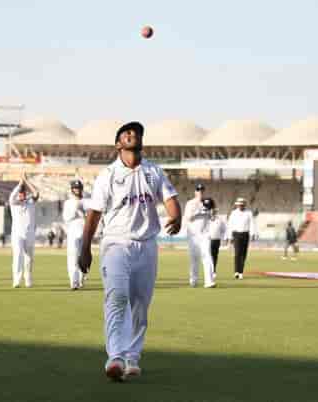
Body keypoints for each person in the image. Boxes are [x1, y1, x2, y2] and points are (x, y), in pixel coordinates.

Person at [78, 121, 182, 382]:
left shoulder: (153, 171)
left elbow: (169, 198)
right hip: (116, 243)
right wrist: (85, 247)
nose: (131, 134)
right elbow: (94, 213)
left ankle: (133, 357)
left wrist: (176, 215)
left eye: (135, 132)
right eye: (126, 132)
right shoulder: (108, 175)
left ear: (141, 141)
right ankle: (115, 356)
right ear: (118, 144)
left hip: (146, 244)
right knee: (117, 297)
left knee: (140, 304)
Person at [9, 172, 39, 288]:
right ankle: (16, 280)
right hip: (17, 234)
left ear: (25, 194)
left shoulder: (30, 202)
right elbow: (12, 197)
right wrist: (20, 183)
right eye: (19, 194)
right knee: (17, 255)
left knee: (29, 258)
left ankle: (28, 278)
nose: (21, 195)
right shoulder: (14, 203)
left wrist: (26, 182)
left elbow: (36, 193)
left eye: (23, 193)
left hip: (29, 233)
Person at [183, 184, 215, 288]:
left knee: (207, 256)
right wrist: (199, 211)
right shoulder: (190, 203)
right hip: (193, 235)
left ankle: (209, 281)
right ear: (195, 192)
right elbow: (188, 218)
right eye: (198, 190)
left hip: (204, 234)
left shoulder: (207, 202)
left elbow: (212, 218)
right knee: (194, 258)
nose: (200, 192)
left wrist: (211, 211)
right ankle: (193, 280)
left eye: (202, 190)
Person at [63, 179, 87, 290]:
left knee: (83, 258)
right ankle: (74, 282)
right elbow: (66, 218)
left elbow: (91, 217)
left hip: (85, 232)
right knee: (72, 258)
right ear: (72, 190)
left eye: (78, 188)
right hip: (73, 232)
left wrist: (83, 212)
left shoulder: (87, 201)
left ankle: (81, 279)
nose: (77, 190)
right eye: (75, 188)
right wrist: (75, 209)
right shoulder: (68, 203)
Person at [225, 198, 256, 279]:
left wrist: (252, 234)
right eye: (240, 204)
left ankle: (241, 272)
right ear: (237, 205)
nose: (241, 206)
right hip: (236, 234)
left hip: (245, 234)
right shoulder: (233, 213)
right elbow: (230, 225)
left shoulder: (248, 213)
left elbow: (252, 223)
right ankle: (236, 272)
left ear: (244, 205)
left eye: (242, 204)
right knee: (237, 253)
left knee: (244, 254)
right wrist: (229, 236)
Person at [209, 204, 226, 278]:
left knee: (214, 256)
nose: (212, 212)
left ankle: (213, 271)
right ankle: (208, 271)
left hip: (216, 240)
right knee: (208, 256)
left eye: (214, 211)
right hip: (207, 240)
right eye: (211, 211)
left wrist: (222, 238)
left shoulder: (220, 220)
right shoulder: (206, 219)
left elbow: (223, 230)